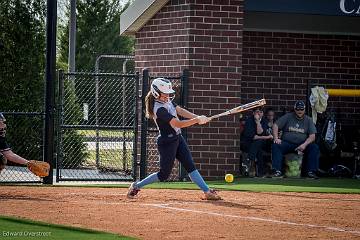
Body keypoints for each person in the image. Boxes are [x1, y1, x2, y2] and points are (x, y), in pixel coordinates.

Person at [127, 78, 221, 200]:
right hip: (167, 142)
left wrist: (198, 117)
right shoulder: (158, 109)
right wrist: (196, 121)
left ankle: (207, 191)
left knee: (190, 166)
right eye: (164, 93)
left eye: (168, 93)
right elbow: (178, 123)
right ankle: (136, 186)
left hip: (177, 138)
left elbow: (180, 110)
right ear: (156, 93)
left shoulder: (167, 101)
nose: (167, 95)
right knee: (164, 174)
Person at [272, 100, 320, 179]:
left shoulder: (308, 120)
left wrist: (304, 145)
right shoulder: (288, 116)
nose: (300, 111)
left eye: (301, 109)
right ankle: (277, 171)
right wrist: (276, 138)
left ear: (304, 109)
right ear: (295, 109)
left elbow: (312, 136)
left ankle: (311, 172)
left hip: (302, 144)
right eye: (298, 109)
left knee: (314, 147)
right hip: (287, 143)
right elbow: (275, 125)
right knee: (276, 145)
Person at [241, 107, 273, 177]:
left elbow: (260, 132)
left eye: (261, 112)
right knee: (259, 150)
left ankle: (251, 162)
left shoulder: (264, 121)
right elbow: (253, 137)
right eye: (257, 112)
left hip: (261, 143)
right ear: (253, 113)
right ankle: (261, 172)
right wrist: (267, 137)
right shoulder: (249, 121)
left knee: (258, 142)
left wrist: (258, 122)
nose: (259, 114)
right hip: (249, 142)